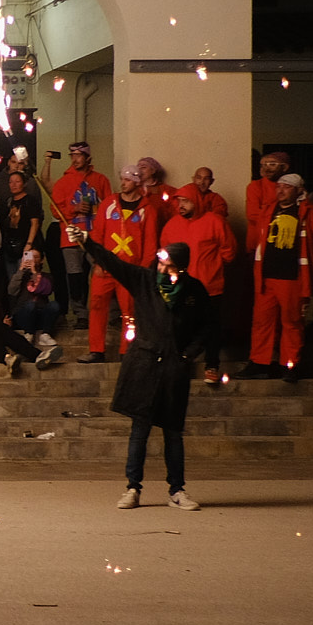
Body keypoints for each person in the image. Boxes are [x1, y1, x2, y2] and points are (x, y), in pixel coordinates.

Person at [68, 221, 206, 511]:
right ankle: (132, 488)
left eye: (166, 263)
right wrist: (87, 241)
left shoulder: (194, 291)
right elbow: (113, 263)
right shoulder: (144, 280)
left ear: (179, 268)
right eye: (159, 261)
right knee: (139, 430)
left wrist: (186, 356)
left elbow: (206, 329)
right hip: (144, 364)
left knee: (173, 433)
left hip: (173, 368)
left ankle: (177, 490)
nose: (159, 267)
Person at [247, 173, 313, 381]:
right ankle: (259, 363)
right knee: (262, 321)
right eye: (278, 187)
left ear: (298, 190)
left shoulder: (309, 213)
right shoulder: (267, 210)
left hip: (293, 278)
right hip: (266, 277)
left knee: (292, 322)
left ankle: (290, 365)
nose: (280, 191)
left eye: (286, 187)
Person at [81, 166, 157, 365]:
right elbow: (97, 235)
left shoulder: (147, 210)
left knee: (129, 313)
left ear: (137, 182)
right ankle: (96, 350)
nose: (123, 183)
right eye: (122, 179)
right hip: (105, 267)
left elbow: (150, 245)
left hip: (129, 271)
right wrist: (97, 261)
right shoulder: (109, 204)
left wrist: (141, 272)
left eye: (128, 180)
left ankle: (127, 351)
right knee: (96, 307)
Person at [161, 183, 236, 384]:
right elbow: (164, 255)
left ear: (197, 201)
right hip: (181, 290)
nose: (181, 205)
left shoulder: (215, 222)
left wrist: (213, 267)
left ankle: (212, 366)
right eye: (179, 202)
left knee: (211, 328)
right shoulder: (172, 225)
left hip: (210, 286)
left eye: (186, 201)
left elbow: (229, 251)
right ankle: (179, 366)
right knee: (179, 329)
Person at [46, 142, 111, 327]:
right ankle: (81, 314)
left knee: (102, 273)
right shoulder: (63, 182)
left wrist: (94, 208)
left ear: (88, 157)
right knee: (74, 277)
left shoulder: (101, 180)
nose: (75, 159)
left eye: (79, 155)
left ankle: (104, 312)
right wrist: (73, 209)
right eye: (72, 155)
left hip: (94, 236)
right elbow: (54, 210)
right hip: (70, 237)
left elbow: (109, 208)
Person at [7, 249, 63, 359]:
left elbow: (46, 290)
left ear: (42, 260)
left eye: (36, 257)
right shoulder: (21, 276)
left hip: (41, 314)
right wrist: (21, 271)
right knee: (30, 305)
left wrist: (34, 272)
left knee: (55, 305)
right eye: (30, 256)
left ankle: (45, 334)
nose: (32, 259)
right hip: (24, 314)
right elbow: (11, 290)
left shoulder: (47, 276)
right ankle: (29, 334)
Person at [0, 170, 42, 272]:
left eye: (17, 181)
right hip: (10, 246)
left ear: (24, 183)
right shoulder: (8, 202)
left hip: (26, 244)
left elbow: (35, 223)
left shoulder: (31, 200)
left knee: (24, 276)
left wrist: (29, 244)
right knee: (12, 279)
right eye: (11, 182)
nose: (14, 185)